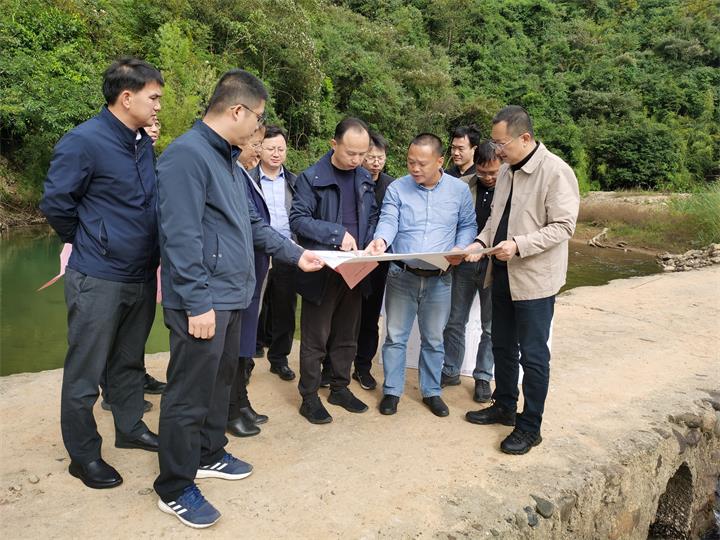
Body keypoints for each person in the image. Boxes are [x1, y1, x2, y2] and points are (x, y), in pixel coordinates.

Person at [154, 69, 323, 528]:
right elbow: (180, 236)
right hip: (203, 300)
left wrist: (296, 254)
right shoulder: (186, 156)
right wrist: (196, 302)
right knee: (188, 392)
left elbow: (249, 225)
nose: (259, 128)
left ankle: (209, 452)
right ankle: (174, 486)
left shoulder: (228, 160)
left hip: (231, 295)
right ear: (236, 110)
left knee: (219, 382)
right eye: (258, 118)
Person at [40, 57, 164, 490]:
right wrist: (93, 241)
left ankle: (129, 428)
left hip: (140, 273)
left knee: (129, 360)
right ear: (126, 97)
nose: (158, 106)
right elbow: (56, 202)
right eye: (153, 97)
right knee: (86, 369)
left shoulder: (141, 142)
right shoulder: (84, 141)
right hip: (98, 275)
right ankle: (84, 455)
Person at [464, 105, 580, 455]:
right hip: (501, 272)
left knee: (533, 355)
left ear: (525, 138)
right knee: (501, 344)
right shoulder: (506, 172)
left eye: (502, 144)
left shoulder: (556, 171)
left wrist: (519, 245)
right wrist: (479, 243)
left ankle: (530, 427)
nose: (496, 151)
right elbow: (495, 220)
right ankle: (504, 405)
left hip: (534, 280)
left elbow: (564, 227)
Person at [366, 134, 477, 417]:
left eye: (422, 164)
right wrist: (381, 239)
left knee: (434, 339)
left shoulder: (459, 191)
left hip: (440, 278)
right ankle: (392, 391)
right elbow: (389, 219)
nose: (415, 168)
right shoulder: (397, 188)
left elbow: (468, 225)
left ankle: (431, 391)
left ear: (440, 161)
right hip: (402, 275)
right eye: (410, 162)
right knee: (395, 336)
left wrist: (460, 247)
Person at [290, 117, 378, 424]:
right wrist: (336, 234)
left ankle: (340, 387)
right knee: (315, 338)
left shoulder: (364, 177)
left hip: (355, 269)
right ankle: (309, 396)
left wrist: (373, 241)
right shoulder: (311, 178)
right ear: (333, 144)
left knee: (347, 334)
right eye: (351, 153)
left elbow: (373, 215)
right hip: (322, 270)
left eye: (362, 154)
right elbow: (298, 220)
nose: (357, 159)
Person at [100, 117, 165, 413]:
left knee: (134, 332)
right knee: (111, 331)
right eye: (149, 125)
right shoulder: (111, 153)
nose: (154, 129)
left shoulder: (149, 157)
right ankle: (111, 391)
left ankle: (135, 379)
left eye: (157, 126)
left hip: (143, 259)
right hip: (107, 259)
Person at [441, 141, 500, 403]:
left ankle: (483, 377)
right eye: (482, 172)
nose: (487, 177)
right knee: (455, 320)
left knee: (490, 326)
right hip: (464, 263)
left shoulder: (511, 188)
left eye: (493, 172)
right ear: (475, 165)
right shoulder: (463, 185)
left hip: (494, 265)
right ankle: (450, 370)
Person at [224, 125, 271, 438]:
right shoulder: (231, 174)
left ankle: (241, 401)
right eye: (254, 144)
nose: (258, 151)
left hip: (254, 270)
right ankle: (230, 408)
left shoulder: (243, 173)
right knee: (234, 344)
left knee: (245, 341)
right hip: (239, 272)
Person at [253, 126, 299, 382]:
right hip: (257, 249)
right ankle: (245, 360)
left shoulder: (295, 181)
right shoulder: (248, 179)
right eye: (271, 148)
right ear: (259, 149)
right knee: (252, 304)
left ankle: (279, 359)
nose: (276, 153)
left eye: (281, 148)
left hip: (287, 250)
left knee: (285, 308)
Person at [351, 131, 394, 391]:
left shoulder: (391, 186)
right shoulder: (352, 180)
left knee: (370, 316)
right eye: (371, 157)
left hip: (378, 264)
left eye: (380, 157)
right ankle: (333, 364)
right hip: (352, 259)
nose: (376, 162)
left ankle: (363, 366)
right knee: (344, 314)